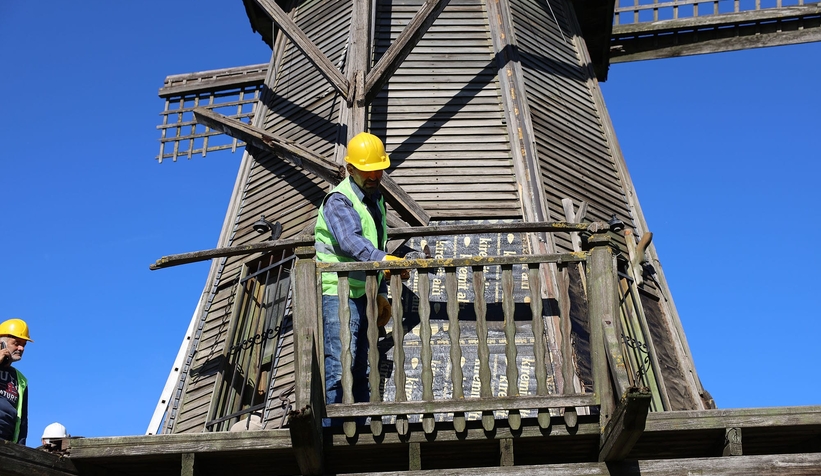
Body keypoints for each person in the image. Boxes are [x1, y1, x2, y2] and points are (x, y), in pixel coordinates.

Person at [314, 132, 403, 419]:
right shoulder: (339, 200)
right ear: (350, 169)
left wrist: (380, 292)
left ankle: (360, 430)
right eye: (368, 170)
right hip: (338, 294)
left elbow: (376, 245)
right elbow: (351, 242)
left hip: (363, 295)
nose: (375, 175)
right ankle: (334, 436)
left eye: (379, 169)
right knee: (341, 368)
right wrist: (383, 261)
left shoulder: (375, 201)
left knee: (363, 367)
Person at [0, 318, 32, 445]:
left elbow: (23, 421)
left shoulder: (20, 379)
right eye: (17, 343)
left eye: (24, 344)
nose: (21, 348)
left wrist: (20, 450)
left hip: (6, 444)